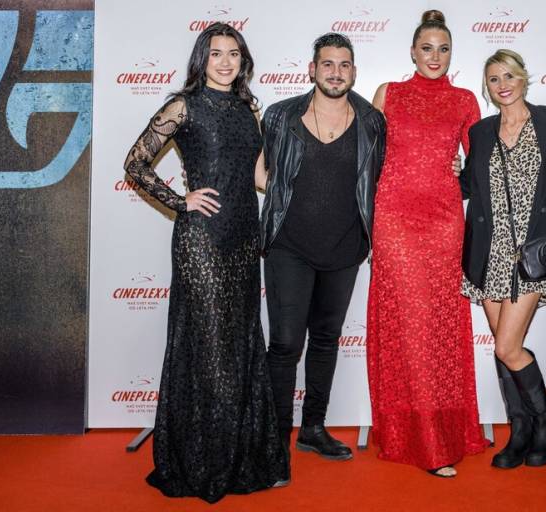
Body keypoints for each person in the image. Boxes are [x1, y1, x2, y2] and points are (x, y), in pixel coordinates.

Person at [123, 23, 288, 502]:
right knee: (210, 346)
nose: (226, 61)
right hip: (202, 241)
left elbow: (260, 176)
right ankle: (204, 461)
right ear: (202, 58)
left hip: (244, 237)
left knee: (239, 343)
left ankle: (240, 458)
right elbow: (135, 163)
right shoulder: (183, 106)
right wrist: (181, 201)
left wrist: (311, 171)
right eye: (216, 53)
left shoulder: (248, 108)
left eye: (234, 54)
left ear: (243, 60)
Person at [366, 10, 486, 478]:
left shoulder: (464, 100)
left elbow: (482, 165)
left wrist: (462, 172)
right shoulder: (388, 94)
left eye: (443, 49)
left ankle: (444, 429)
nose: (435, 57)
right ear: (412, 52)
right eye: (427, 48)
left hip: (443, 223)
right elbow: (365, 159)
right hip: (394, 220)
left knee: (439, 325)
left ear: (451, 54)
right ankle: (412, 435)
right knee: (404, 325)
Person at [260, 33, 386, 463]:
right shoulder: (280, 116)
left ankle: (313, 428)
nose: (336, 72)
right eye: (327, 64)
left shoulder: (372, 121)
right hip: (289, 247)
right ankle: (275, 439)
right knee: (285, 344)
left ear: (354, 71)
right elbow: (260, 171)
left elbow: (382, 177)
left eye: (344, 64)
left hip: (345, 248)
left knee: (326, 340)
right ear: (312, 69)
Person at [461, 49, 546, 469]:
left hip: (531, 255)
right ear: (486, 87)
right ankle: (520, 431)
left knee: (506, 346)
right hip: (489, 251)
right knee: (507, 348)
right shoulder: (481, 131)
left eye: (509, 76)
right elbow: (468, 185)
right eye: (493, 79)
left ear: (524, 78)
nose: (502, 85)